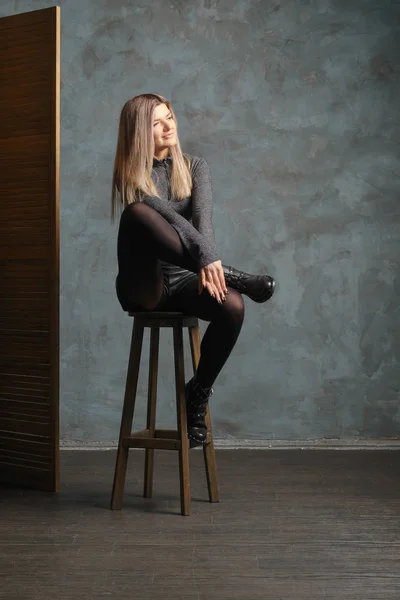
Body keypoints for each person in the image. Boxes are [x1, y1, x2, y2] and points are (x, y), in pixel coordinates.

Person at [111, 93, 275, 445]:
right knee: (138, 215)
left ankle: (197, 393)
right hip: (145, 284)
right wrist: (212, 262)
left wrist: (206, 261)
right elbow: (170, 220)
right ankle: (233, 275)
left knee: (232, 305)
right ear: (140, 131)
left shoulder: (194, 165)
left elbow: (203, 223)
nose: (169, 126)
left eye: (170, 116)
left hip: (186, 276)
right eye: (157, 122)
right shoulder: (133, 176)